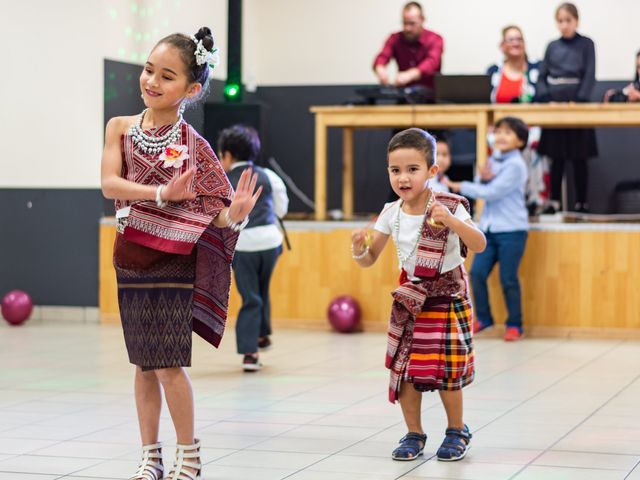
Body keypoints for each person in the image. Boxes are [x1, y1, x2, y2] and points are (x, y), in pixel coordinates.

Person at [101, 27, 261, 480]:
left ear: (190, 90)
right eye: (148, 70)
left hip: (173, 262)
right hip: (130, 255)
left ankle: (188, 455)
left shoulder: (195, 145)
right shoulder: (120, 128)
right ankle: (150, 456)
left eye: (166, 76)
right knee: (143, 362)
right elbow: (109, 184)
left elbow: (215, 211)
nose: (151, 81)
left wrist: (237, 215)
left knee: (168, 363)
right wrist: (160, 193)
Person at [351, 128, 486, 462]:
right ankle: (414, 433)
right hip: (411, 301)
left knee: (444, 373)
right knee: (406, 372)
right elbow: (370, 259)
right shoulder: (390, 212)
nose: (403, 178)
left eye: (413, 169)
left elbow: (479, 243)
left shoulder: (450, 205)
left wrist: (454, 223)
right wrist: (358, 249)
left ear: (431, 172)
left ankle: (457, 430)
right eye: (396, 170)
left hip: (447, 298)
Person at [446, 117, 529, 342]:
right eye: (498, 131)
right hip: (489, 228)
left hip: (512, 230)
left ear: (520, 141)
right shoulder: (494, 159)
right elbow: (484, 186)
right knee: (477, 273)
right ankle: (484, 318)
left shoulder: (516, 165)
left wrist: (458, 186)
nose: (501, 136)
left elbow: (492, 193)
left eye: (508, 133)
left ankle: (514, 325)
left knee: (508, 278)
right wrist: (481, 180)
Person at [218, 125, 289, 372]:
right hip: (271, 242)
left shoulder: (222, 179)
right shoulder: (269, 176)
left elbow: (219, 215)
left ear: (226, 155)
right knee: (261, 290)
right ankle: (261, 335)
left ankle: (250, 353)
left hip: (243, 244)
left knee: (250, 296)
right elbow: (280, 209)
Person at [535, 3, 598, 214]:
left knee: (580, 156)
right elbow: (542, 76)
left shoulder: (587, 44)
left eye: (568, 20)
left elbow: (590, 75)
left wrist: (578, 102)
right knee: (556, 156)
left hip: (577, 104)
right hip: (555, 104)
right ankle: (554, 201)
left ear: (576, 21)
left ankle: (582, 202)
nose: (564, 25)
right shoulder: (552, 46)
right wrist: (546, 99)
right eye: (560, 21)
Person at [487, 26, 547, 214]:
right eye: (510, 39)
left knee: (533, 144)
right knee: (490, 142)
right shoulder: (494, 71)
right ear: (502, 45)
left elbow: (544, 97)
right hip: (500, 131)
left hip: (530, 129)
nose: (515, 43)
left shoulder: (537, 69)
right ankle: (498, 199)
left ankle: (533, 201)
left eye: (519, 39)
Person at [373, 1, 443, 93]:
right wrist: (380, 69)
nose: (407, 28)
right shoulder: (394, 39)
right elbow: (382, 57)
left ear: (422, 19)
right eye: (404, 23)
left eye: (412, 23)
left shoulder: (435, 39)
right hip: (403, 96)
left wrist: (410, 74)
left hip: (431, 97)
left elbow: (432, 62)